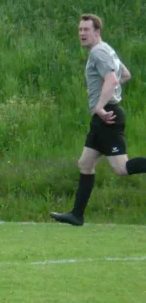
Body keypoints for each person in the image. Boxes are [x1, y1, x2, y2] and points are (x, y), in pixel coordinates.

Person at [50, 14, 146, 226]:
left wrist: (101, 106)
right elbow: (125, 74)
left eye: (86, 30)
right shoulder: (107, 50)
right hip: (103, 117)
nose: (82, 34)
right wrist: (106, 98)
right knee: (85, 163)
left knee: (121, 168)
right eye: (80, 30)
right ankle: (77, 215)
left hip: (107, 116)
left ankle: (77, 214)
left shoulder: (98, 53)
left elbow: (112, 79)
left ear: (97, 32)